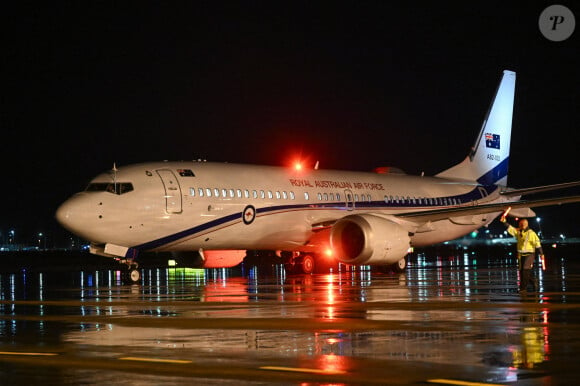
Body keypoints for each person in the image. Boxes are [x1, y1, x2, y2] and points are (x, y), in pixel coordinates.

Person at [500, 216, 544, 293]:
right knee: (522, 272)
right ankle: (533, 281)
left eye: (522, 224)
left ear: (526, 224)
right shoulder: (519, 232)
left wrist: (541, 253)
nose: (521, 226)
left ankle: (523, 288)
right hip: (521, 255)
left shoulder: (531, 233)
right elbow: (511, 229)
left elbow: (537, 244)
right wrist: (504, 222)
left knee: (524, 270)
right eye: (520, 224)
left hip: (529, 254)